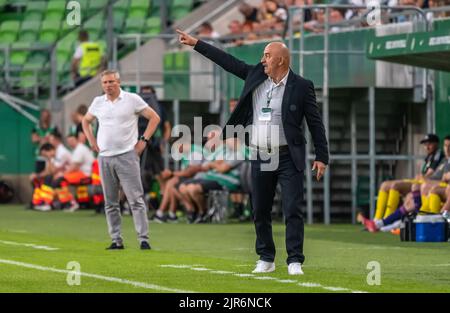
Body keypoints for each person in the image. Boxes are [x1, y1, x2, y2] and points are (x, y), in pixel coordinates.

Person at [176, 29, 329, 275]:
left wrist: (322, 156)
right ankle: (266, 257)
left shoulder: (302, 86)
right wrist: (196, 44)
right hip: (260, 154)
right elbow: (227, 61)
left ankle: (294, 260)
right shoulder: (255, 74)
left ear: (281, 59)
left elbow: (315, 122)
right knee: (260, 208)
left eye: (267, 55)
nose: (263, 60)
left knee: (292, 208)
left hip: (288, 156)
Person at [82, 70, 161, 250]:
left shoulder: (132, 99)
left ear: (118, 82)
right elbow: (85, 121)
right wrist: (91, 140)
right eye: (105, 83)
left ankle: (143, 239)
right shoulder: (98, 102)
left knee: (136, 199)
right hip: (105, 157)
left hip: (127, 155)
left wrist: (143, 142)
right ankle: (116, 240)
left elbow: (154, 118)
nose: (108, 86)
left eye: (111, 82)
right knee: (110, 202)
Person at [373, 134, 444, 221]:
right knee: (384, 185)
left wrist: (423, 177)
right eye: (425, 144)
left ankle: (387, 220)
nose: (427, 147)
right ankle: (377, 219)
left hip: (427, 183)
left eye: (429, 144)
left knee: (395, 186)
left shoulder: (439, 154)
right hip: (421, 181)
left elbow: (429, 174)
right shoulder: (430, 156)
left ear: (436, 144)